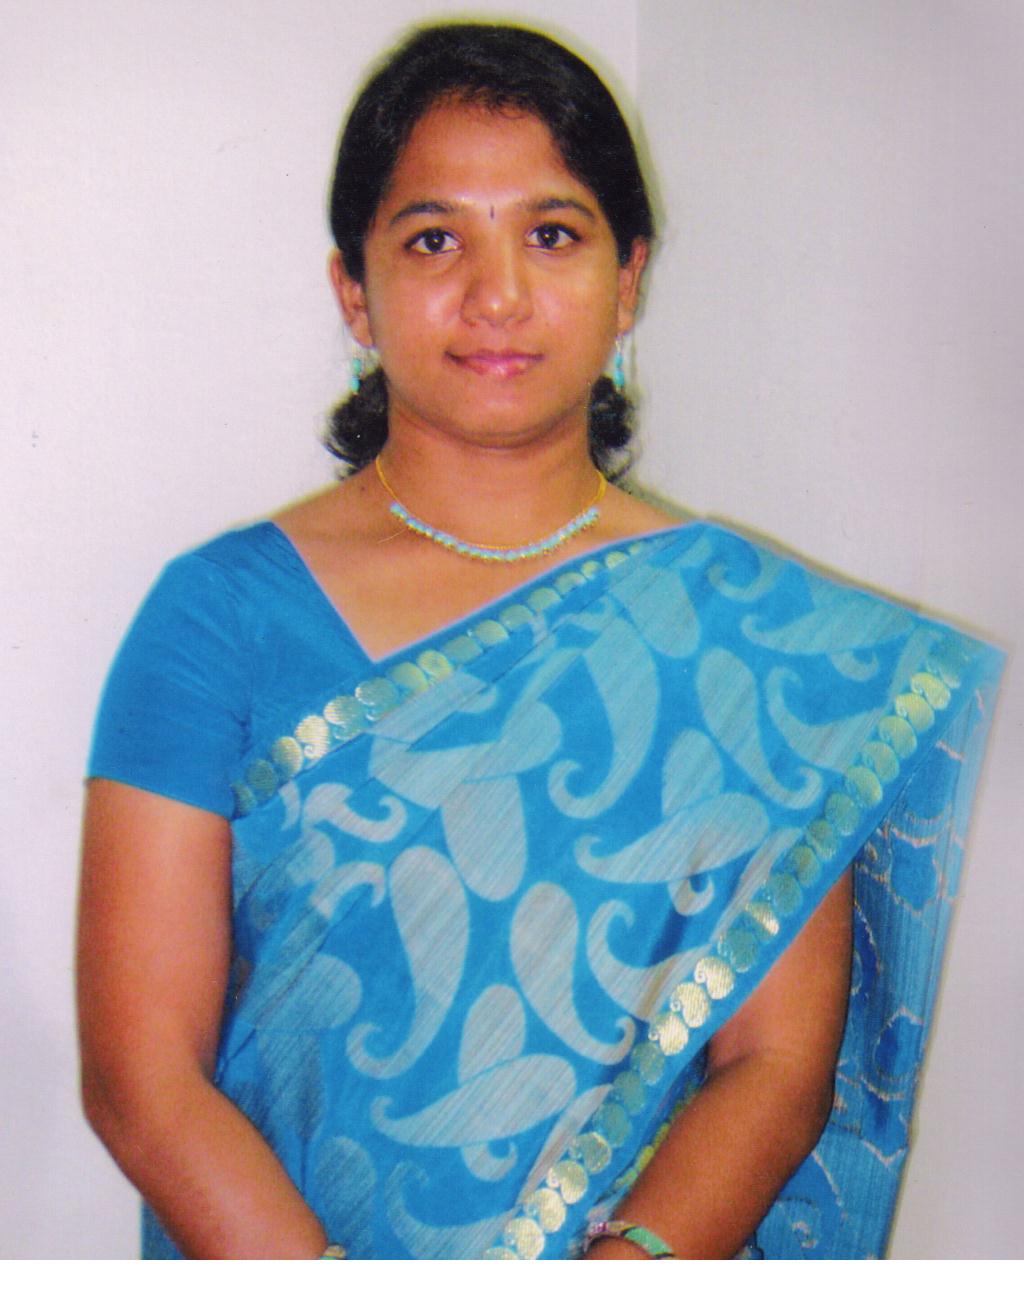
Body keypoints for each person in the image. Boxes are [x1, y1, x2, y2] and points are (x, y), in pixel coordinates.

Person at [77, 23, 1002, 1260]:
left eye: (553, 235)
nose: (497, 294)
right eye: (433, 239)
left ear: (627, 282)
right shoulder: (218, 617)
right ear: (354, 291)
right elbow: (142, 1075)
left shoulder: (766, 648)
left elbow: (775, 1069)